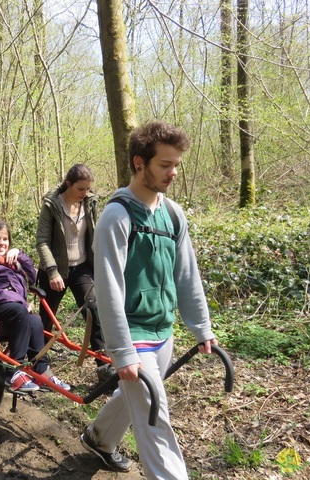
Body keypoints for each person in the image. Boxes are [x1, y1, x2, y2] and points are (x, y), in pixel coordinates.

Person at [80, 120, 218, 478]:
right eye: (164, 164)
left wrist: (201, 327)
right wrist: (123, 352)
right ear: (139, 163)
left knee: (137, 398)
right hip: (133, 332)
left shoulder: (172, 214)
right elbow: (108, 288)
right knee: (156, 419)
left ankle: (99, 438)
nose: (173, 172)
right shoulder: (117, 215)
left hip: (163, 331)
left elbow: (186, 275)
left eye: (176, 164)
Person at [0, 219, 70, 393]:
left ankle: (41, 369)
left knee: (36, 320)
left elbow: (31, 277)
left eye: (5, 239)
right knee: (20, 312)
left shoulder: (8, 260)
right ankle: (12, 371)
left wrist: (20, 255)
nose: (1, 243)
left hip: (7, 304)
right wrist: (19, 300)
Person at [36, 164, 111, 381]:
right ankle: (39, 363)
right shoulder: (52, 205)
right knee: (46, 319)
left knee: (94, 312)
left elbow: (95, 235)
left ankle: (103, 367)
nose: (85, 193)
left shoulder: (89, 203)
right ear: (68, 184)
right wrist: (52, 272)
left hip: (83, 268)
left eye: (88, 189)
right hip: (55, 270)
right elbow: (42, 242)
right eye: (80, 189)